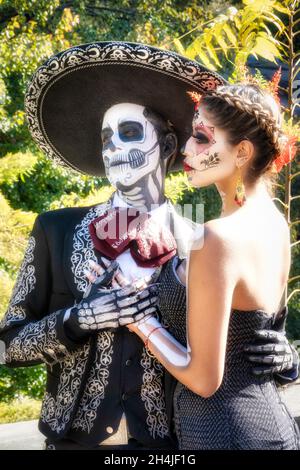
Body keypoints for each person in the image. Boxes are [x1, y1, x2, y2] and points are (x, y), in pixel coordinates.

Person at [0, 40, 297, 450]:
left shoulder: (200, 234)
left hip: (172, 445)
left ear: (169, 146)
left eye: (128, 133)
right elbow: (6, 346)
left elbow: (250, 332)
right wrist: (80, 318)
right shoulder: (57, 229)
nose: (115, 149)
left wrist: (283, 359)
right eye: (106, 139)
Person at [126, 84, 300, 450]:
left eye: (202, 138)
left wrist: (140, 322)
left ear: (242, 152)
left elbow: (204, 379)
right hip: (269, 426)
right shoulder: (277, 226)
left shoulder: (216, 238)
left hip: (224, 433)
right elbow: (260, 333)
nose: (188, 148)